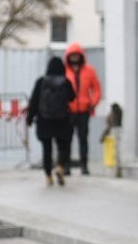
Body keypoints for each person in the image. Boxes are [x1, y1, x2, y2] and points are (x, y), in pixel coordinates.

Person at [26, 55, 74, 186]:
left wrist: (29, 118)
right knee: (62, 146)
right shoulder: (66, 81)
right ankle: (59, 166)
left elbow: (34, 102)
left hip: (44, 119)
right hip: (62, 119)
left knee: (46, 149)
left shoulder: (41, 81)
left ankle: (48, 176)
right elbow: (72, 97)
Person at [64, 42, 103, 176]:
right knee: (66, 139)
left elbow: (97, 89)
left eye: (77, 55)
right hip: (69, 111)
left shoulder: (89, 71)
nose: (75, 58)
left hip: (84, 110)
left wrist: (93, 103)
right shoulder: (65, 71)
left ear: (81, 56)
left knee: (83, 139)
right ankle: (66, 166)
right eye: (72, 55)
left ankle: (84, 165)